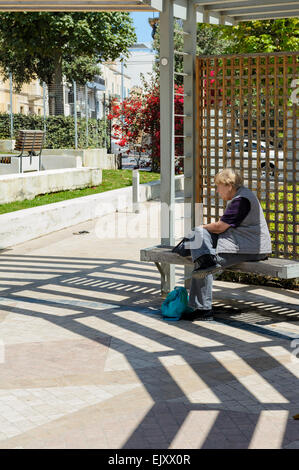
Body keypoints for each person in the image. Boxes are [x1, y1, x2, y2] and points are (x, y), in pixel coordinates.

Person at [184, 168, 272, 321]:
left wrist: (199, 228)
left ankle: (203, 309)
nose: (217, 191)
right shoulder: (242, 196)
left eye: (218, 186)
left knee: (204, 264)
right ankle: (203, 259)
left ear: (229, 185)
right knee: (202, 247)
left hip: (251, 248)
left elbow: (220, 227)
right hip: (242, 244)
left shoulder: (241, 200)